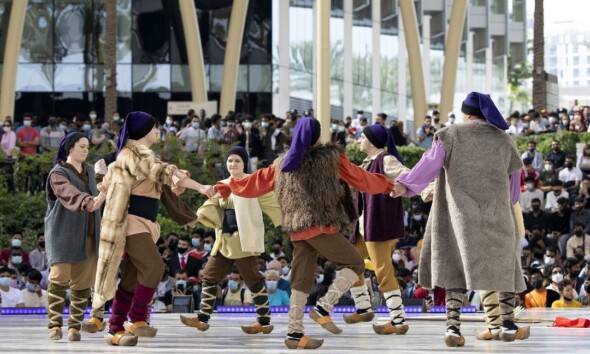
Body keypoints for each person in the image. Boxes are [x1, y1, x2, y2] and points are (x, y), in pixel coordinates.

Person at [215, 117, 395, 349]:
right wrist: (389, 185)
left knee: (300, 280)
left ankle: (294, 334)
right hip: (320, 225)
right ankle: (323, 307)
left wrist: (227, 185)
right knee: (355, 264)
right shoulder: (331, 158)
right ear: (317, 137)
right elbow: (360, 179)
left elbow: (253, 184)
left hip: (297, 229)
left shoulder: (281, 164)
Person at [392, 92, 528, 347]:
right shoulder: (504, 140)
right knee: (503, 268)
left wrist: (405, 185)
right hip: (498, 216)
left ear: (466, 114)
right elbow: (513, 191)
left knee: (455, 270)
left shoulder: (450, 134)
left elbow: (429, 164)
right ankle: (508, 324)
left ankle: (453, 328)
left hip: (459, 218)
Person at [90, 111, 215, 346]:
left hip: (145, 224)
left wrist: (184, 215)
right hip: (130, 222)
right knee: (155, 267)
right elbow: (168, 173)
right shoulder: (135, 154)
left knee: (131, 278)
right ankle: (136, 318)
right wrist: (200, 187)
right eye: (155, 128)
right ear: (145, 131)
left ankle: (115, 328)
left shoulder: (142, 156)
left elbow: (161, 185)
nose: (158, 131)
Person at [180, 146, 281, 335]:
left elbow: (273, 201)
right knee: (209, 276)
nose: (233, 164)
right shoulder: (222, 184)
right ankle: (202, 319)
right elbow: (210, 204)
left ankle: (265, 322)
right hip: (224, 240)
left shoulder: (253, 183)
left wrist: (291, 215)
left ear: (244, 164)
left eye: (237, 161)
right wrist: (197, 216)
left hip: (244, 240)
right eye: (230, 160)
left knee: (254, 280)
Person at [344, 124, 413, 335]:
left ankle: (398, 320)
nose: (359, 140)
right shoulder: (366, 163)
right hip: (364, 226)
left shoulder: (386, 160)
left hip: (379, 225)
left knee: (383, 271)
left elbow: (408, 176)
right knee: (350, 263)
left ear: (372, 141)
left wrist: (426, 189)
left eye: (362, 137)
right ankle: (364, 308)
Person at [44, 132, 104, 341]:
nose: (86, 150)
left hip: (89, 233)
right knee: (59, 277)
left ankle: (74, 327)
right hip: (62, 233)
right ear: (70, 148)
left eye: (87, 147)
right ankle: (55, 325)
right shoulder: (58, 173)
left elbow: (103, 192)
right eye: (81, 146)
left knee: (83, 283)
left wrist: (106, 179)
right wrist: (87, 200)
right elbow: (68, 192)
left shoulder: (90, 171)